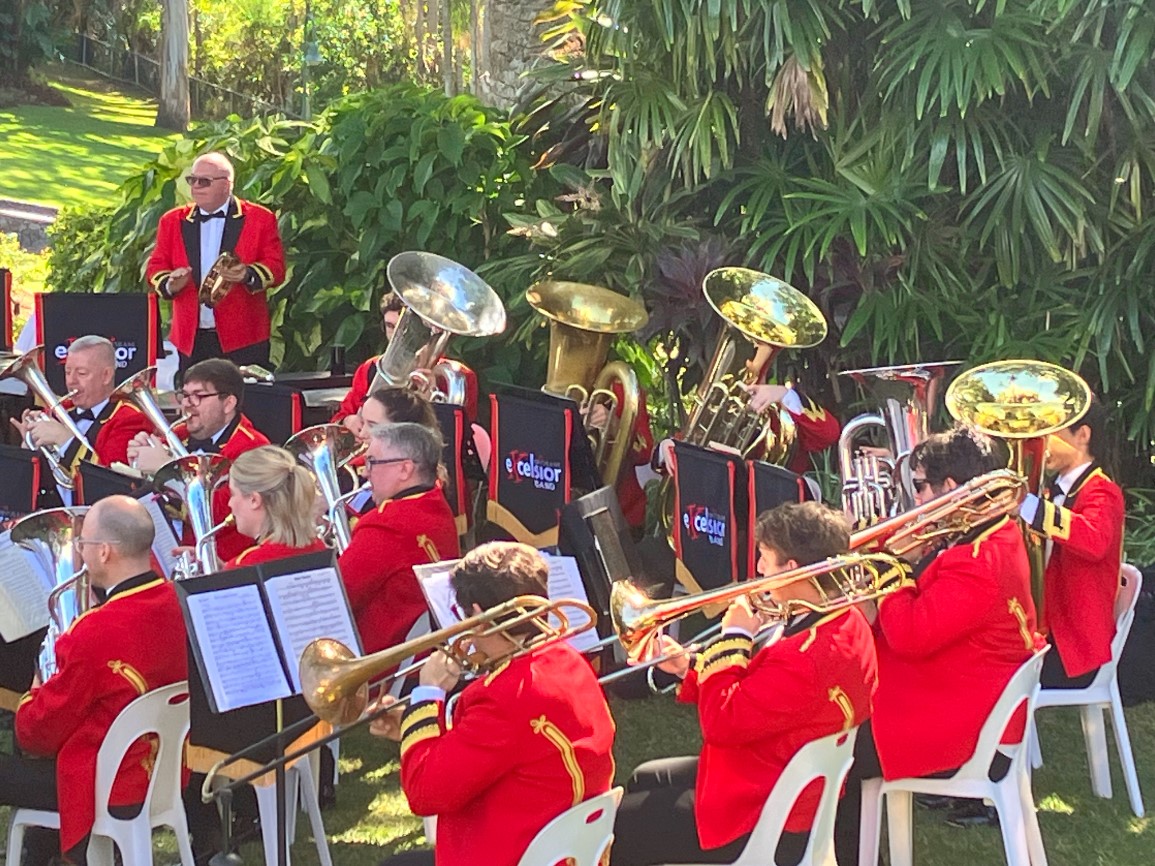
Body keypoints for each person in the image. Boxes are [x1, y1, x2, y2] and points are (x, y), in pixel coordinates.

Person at [611, 502, 877, 866]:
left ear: (791, 570)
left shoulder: (805, 655)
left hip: (763, 813)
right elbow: (764, 695)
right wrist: (687, 666)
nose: (758, 569)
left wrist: (734, 635)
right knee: (645, 777)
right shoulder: (846, 621)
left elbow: (722, 723)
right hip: (778, 775)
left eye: (765, 559)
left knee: (615, 828)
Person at [834, 426, 1041, 860]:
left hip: (960, 728)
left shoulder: (979, 561)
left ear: (951, 487)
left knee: (827, 748)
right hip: (956, 700)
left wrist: (892, 569)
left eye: (921, 486)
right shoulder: (992, 537)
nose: (918, 499)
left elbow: (910, 636)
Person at [372, 541, 616, 866]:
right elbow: (495, 749)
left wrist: (427, 694)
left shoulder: (502, 696)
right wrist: (413, 726)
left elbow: (424, 791)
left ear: (479, 615)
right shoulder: (567, 661)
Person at [2, 496, 188, 866]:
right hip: (165, 773)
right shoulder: (178, 600)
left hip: (102, 783)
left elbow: (35, 734)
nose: (79, 551)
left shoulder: (95, 630)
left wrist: (39, 685)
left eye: (82, 543)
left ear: (104, 552)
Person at [145, 151, 286, 376]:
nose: (196, 187)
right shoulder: (172, 221)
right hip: (190, 338)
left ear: (227, 184)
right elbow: (155, 267)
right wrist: (171, 283)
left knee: (245, 403)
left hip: (243, 337)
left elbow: (276, 268)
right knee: (194, 402)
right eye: (193, 180)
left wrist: (247, 274)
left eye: (205, 181)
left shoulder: (260, 218)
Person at [1020, 397, 1124, 688]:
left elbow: (1093, 541)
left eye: (1051, 433)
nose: (1042, 443)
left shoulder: (1103, 491)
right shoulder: (1054, 491)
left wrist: (1032, 509)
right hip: (1051, 636)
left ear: (1083, 435)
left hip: (1073, 648)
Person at [126, 358, 270, 561]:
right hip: (174, 551)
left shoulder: (252, 447)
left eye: (198, 396)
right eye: (184, 395)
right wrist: (137, 455)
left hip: (223, 560)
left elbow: (220, 514)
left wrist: (165, 469)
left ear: (228, 403)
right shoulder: (179, 433)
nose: (186, 404)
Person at [337, 422, 459, 654]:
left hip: (377, 671)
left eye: (372, 461)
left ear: (405, 469)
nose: (365, 470)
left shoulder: (385, 524)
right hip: (421, 656)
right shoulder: (436, 504)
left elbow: (336, 600)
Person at [12, 336, 153, 482]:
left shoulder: (129, 418)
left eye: (82, 373)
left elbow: (111, 481)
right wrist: (29, 448)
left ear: (106, 375)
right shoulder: (59, 412)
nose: (71, 381)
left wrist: (65, 440)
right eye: (67, 372)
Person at [331, 292, 480, 430]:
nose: (397, 336)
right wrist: (347, 421)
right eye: (390, 326)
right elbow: (338, 419)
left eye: (405, 329)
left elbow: (461, 434)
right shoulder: (370, 368)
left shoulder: (459, 377)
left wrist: (431, 406)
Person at [225, 445, 327, 567]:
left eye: (233, 494)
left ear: (254, 500)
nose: (229, 503)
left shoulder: (244, 565)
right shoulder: (318, 546)